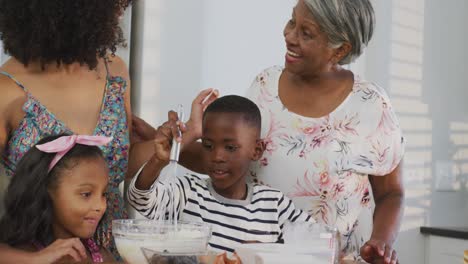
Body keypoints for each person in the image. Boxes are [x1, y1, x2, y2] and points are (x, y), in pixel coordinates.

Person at [0, 0, 133, 258]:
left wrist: (171, 145)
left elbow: (123, 162)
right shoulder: (6, 90)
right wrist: (32, 260)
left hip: (114, 252)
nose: (119, 9)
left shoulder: (114, 71)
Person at [128, 95, 314, 253]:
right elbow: (140, 198)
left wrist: (269, 253)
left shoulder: (274, 204)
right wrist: (159, 160)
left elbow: (316, 240)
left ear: (256, 150)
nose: (217, 156)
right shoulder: (188, 192)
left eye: (230, 147)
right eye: (208, 146)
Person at [0, 134, 114, 263]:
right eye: (86, 194)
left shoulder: (102, 257)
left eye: (104, 194)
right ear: (47, 190)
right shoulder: (21, 255)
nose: (100, 206)